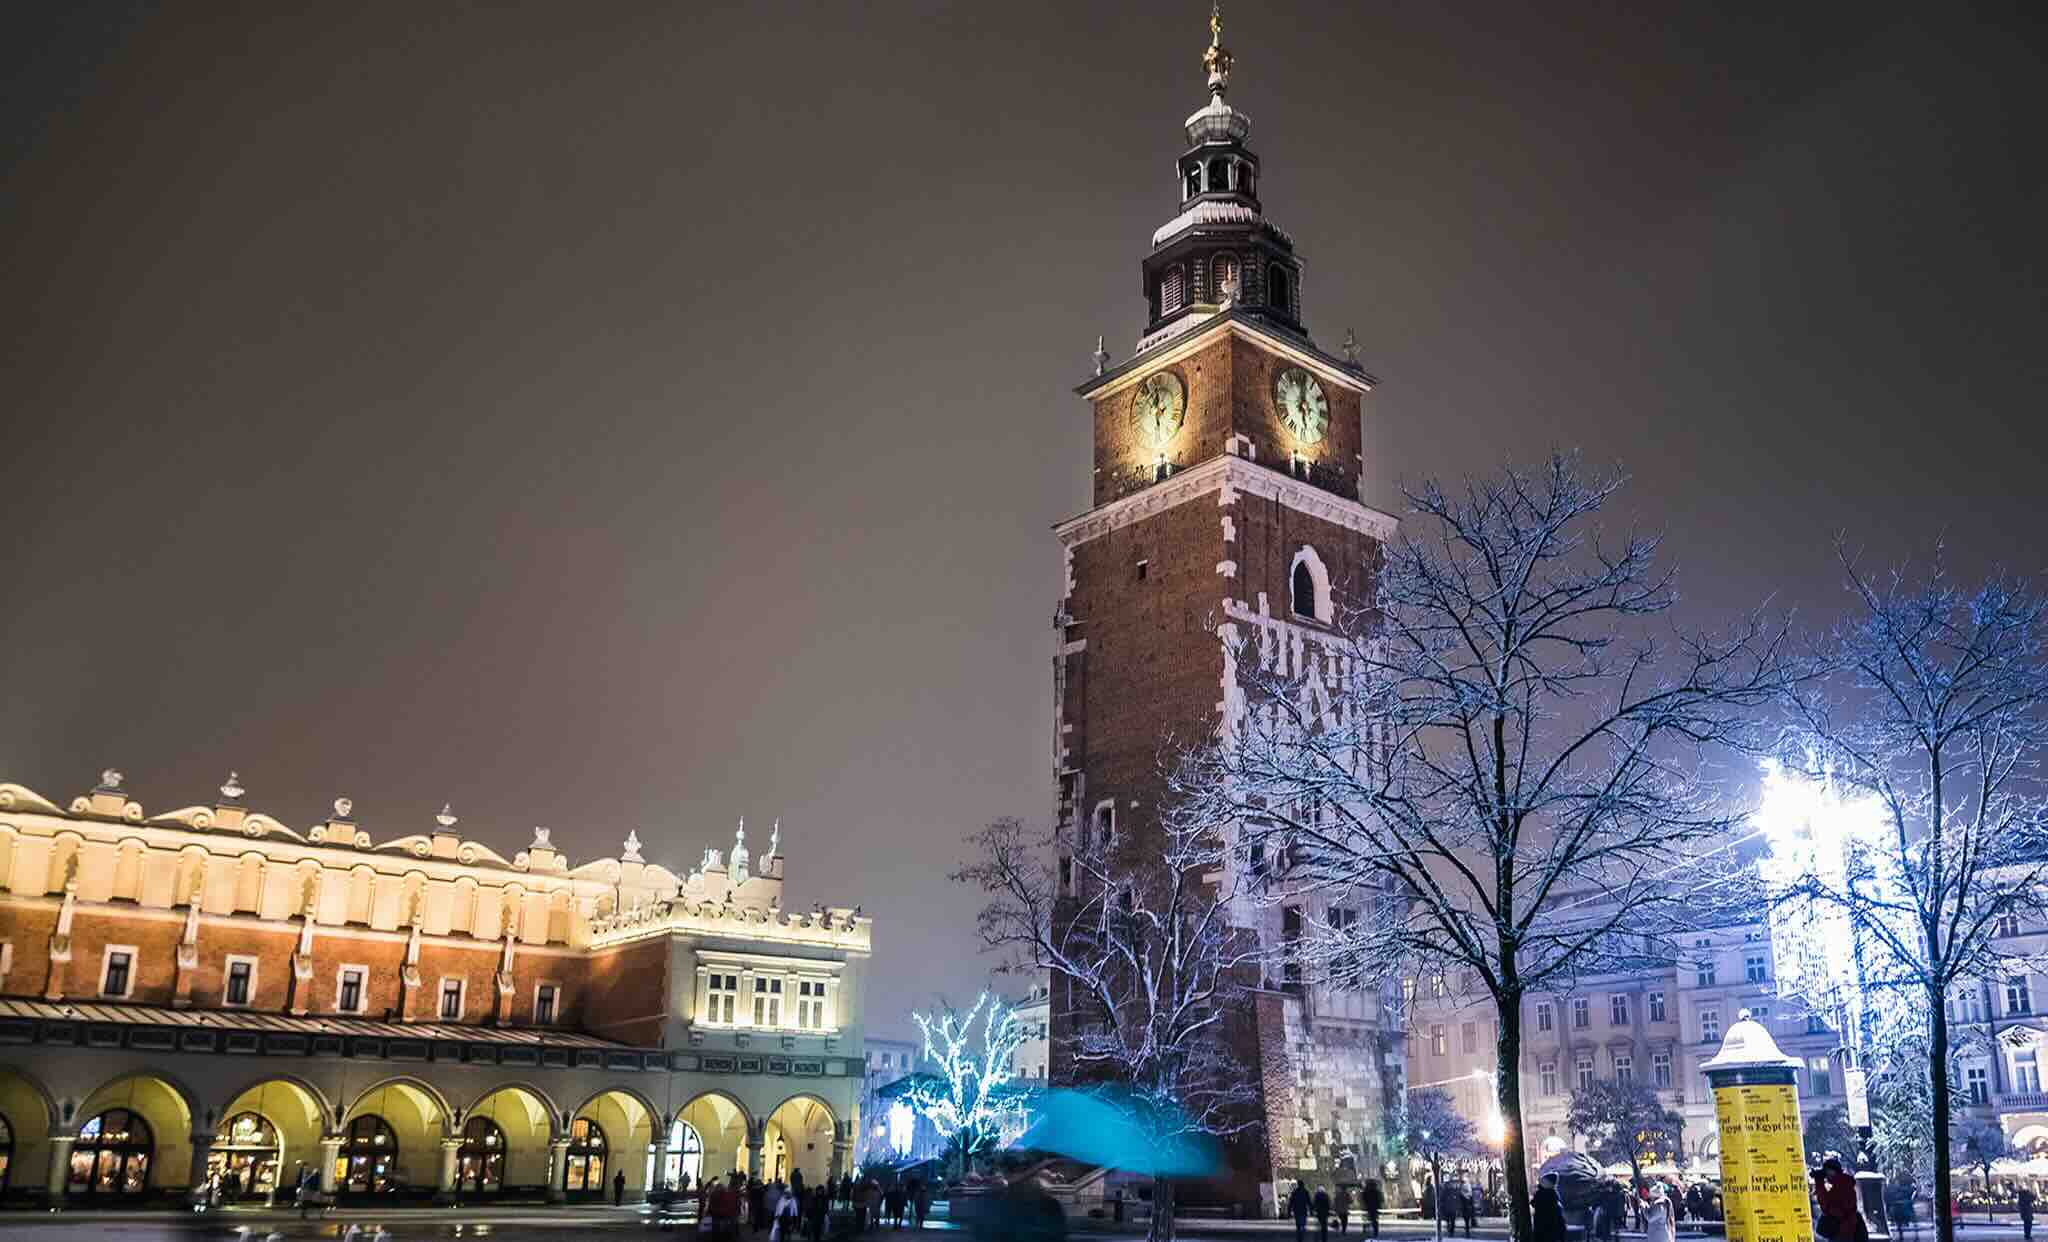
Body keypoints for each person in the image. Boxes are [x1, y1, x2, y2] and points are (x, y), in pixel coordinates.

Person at [1533, 1174, 1568, 1242]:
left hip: (1545, 1232)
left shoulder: (1544, 1196)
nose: (1540, 1182)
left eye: (1543, 1181)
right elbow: (1560, 1223)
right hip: (1549, 1233)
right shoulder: (1553, 1197)